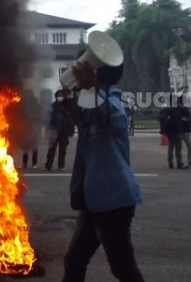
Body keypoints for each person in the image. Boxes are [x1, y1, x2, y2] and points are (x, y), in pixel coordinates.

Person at [63, 61, 144, 282]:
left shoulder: (115, 101)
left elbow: (115, 122)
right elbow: (78, 117)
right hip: (93, 200)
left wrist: (91, 88)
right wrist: (70, 95)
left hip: (113, 200)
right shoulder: (91, 104)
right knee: (74, 261)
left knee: (123, 269)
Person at [44, 89, 76, 171]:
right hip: (54, 131)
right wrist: (47, 130)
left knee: (63, 151)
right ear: (56, 97)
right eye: (59, 96)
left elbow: (71, 119)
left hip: (64, 132)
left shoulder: (67, 106)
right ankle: (48, 166)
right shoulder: (52, 106)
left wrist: (71, 130)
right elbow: (48, 119)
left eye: (61, 96)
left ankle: (61, 166)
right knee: (51, 150)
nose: (60, 97)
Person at [159, 95, 187, 169]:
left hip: (169, 131)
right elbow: (181, 119)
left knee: (171, 147)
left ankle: (170, 162)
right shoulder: (177, 109)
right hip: (177, 130)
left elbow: (162, 119)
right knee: (178, 147)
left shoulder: (166, 109)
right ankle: (179, 163)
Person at [18, 90, 41, 170]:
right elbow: (19, 115)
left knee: (34, 147)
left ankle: (34, 163)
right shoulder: (22, 104)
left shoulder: (35, 104)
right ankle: (25, 163)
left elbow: (39, 115)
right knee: (25, 147)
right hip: (25, 128)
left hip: (34, 128)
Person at [179, 97, 191, 167]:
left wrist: (186, 119)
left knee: (190, 146)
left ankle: (189, 160)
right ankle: (181, 161)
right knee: (180, 147)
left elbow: (190, 118)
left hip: (186, 129)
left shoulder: (186, 109)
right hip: (180, 130)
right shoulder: (177, 109)